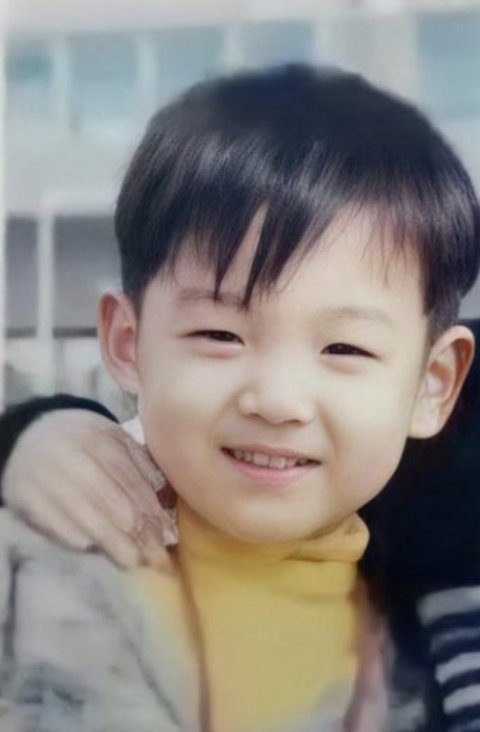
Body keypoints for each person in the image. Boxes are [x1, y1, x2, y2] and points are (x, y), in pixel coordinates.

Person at [1, 63, 479, 731]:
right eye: (220, 335)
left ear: (433, 384)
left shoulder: (415, 618)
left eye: (345, 349)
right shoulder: (41, 571)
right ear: (128, 342)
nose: (277, 401)